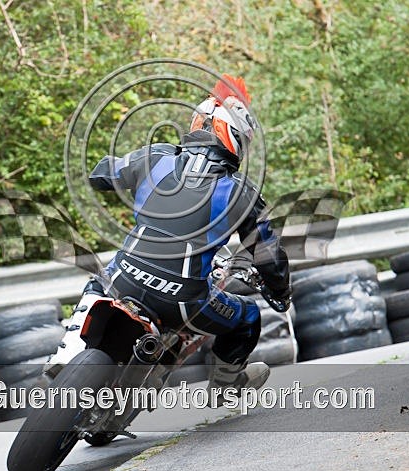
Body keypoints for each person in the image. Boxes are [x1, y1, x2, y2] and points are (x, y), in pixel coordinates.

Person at [46, 75, 291, 392]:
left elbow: (101, 174)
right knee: (247, 319)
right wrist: (280, 292)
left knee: (100, 280)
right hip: (184, 300)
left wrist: (120, 177)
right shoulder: (240, 192)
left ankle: (68, 350)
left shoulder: (157, 157)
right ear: (237, 139)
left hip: (124, 278)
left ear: (200, 123)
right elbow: (268, 254)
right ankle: (226, 385)